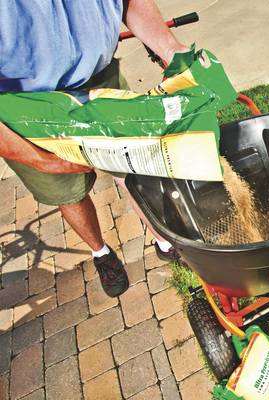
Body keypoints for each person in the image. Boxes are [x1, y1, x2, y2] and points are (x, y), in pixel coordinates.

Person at [0, 0, 188, 297]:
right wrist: (40, 160)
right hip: (28, 109)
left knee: (134, 170)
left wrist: (172, 50)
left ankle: (163, 241)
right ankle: (101, 252)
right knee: (69, 193)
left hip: (99, 79)